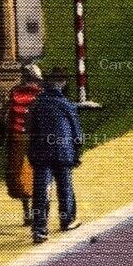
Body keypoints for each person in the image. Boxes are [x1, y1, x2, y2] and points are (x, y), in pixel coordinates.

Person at [27, 66, 84, 244]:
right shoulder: (67, 105)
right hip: (63, 151)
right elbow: (77, 135)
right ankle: (67, 220)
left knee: (41, 190)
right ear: (63, 83)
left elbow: (29, 130)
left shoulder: (36, 104)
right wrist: (77, 153)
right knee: (65, 186)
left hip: (41, 152)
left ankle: (39, 229)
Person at [5, 64, 44, 226]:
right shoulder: (40, 95)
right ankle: (36, 213)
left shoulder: (14, 93)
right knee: (35, 174)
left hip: (16, 137)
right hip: (35, 138)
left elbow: (7, 116)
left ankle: (27, 212)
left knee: (20, 173)